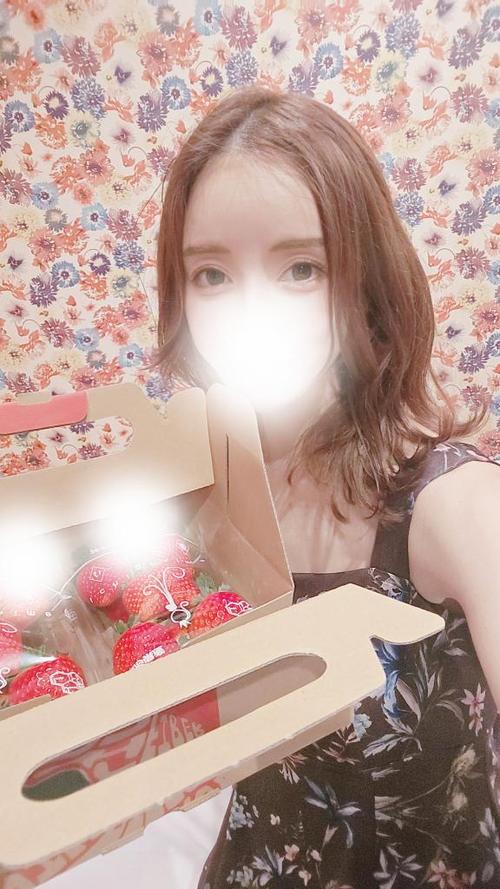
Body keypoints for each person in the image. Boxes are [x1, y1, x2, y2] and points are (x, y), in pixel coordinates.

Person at [148, 85, 500, 887]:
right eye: (212, 274)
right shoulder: (200, 492)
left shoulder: (449, 502)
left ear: (364, 281)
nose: (252, 311)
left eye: (300, 267)